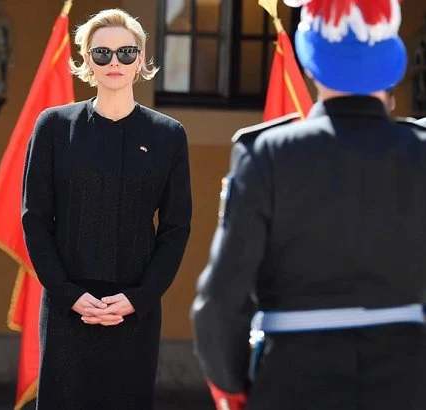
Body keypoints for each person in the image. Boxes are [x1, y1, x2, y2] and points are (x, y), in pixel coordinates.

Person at [191, 1, 425, 410]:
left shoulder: (267, 154)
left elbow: (220, 301)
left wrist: (233, 386)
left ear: (311, 60)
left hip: (291, 382)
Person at [21, 8, 192, 410]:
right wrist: (66, 293)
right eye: (101, 54)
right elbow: (35, 219)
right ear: (85, 61)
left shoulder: (168, 135)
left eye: (126, 52)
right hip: (68, 310)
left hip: (135, 311)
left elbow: (176, 228)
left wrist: (142, 297)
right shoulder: (53, 127)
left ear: (140, 61)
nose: (114, 62)